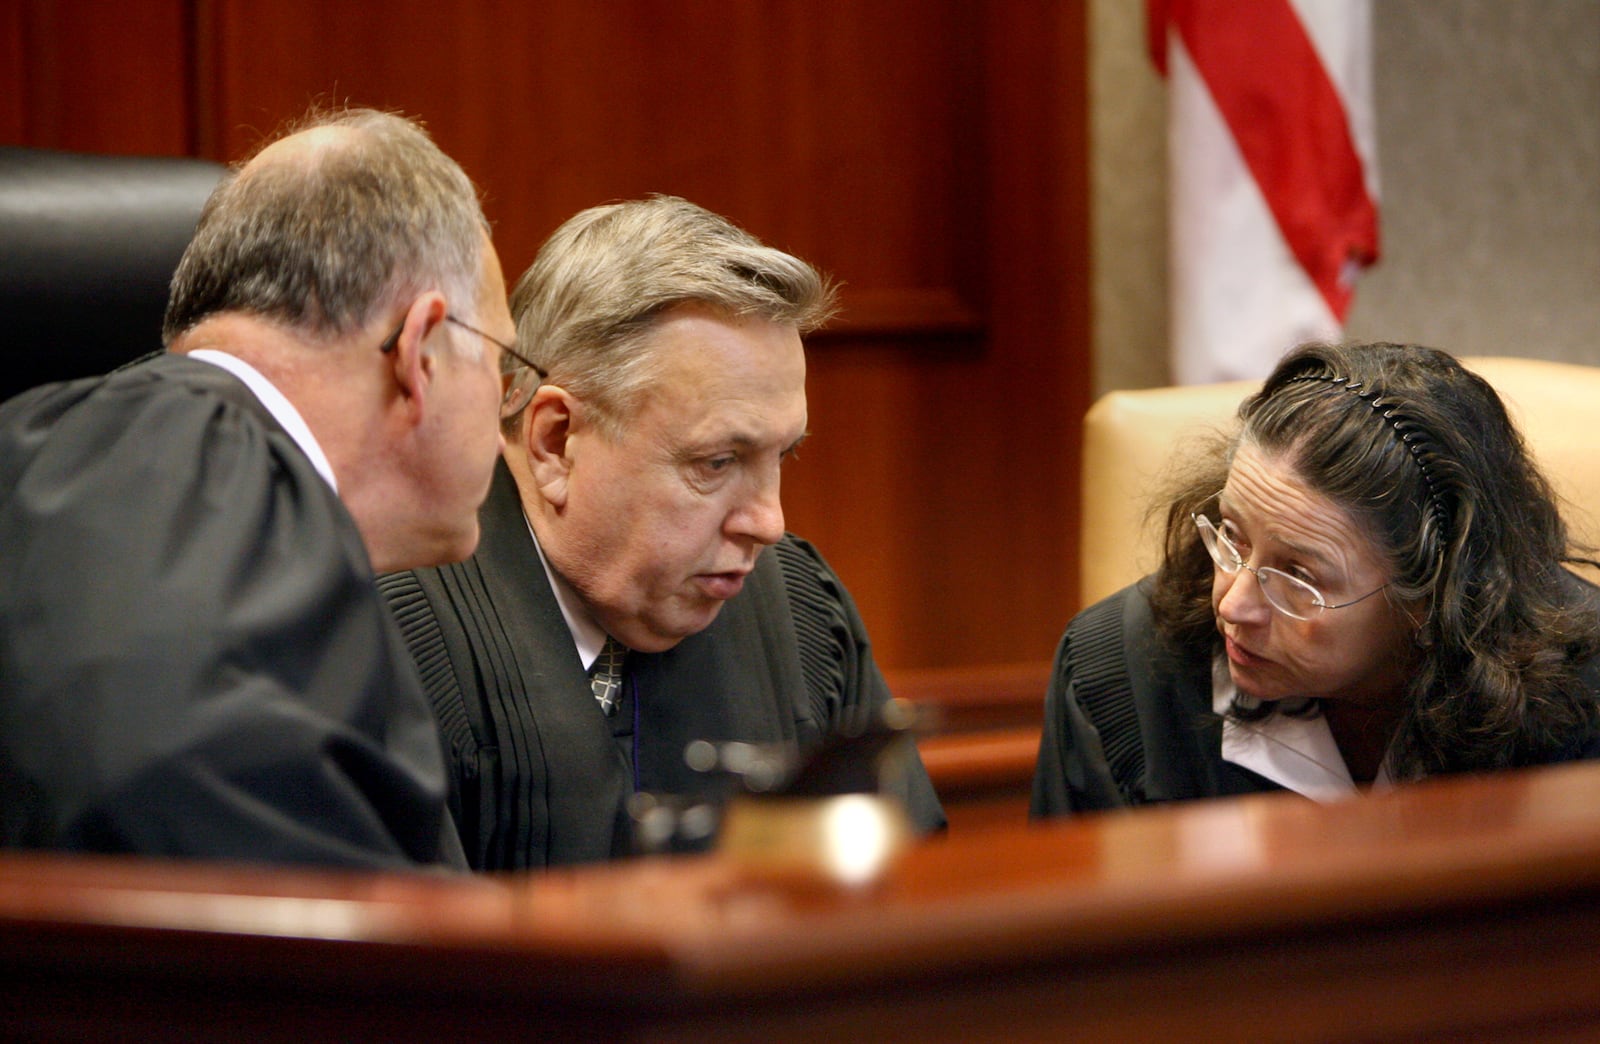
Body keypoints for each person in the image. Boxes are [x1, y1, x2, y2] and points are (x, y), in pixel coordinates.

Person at [0, 107, 516, 868]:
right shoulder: (214, 467)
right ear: (421, 351)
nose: (505, 409)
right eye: (504, 361)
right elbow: (165, 796)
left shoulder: (58, 439)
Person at [379, 195, 945, 870]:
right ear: (557, 441)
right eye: (717, 462)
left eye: (781, 457)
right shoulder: (395, 643)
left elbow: (909, 902)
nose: (770, 522)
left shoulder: (798, 614)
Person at [1032, 342, 1600, 816]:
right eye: (1231, 536)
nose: (1233, 604)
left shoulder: (1582, 698)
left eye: (1298, 577)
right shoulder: (1116, 672)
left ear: (1434, 594)